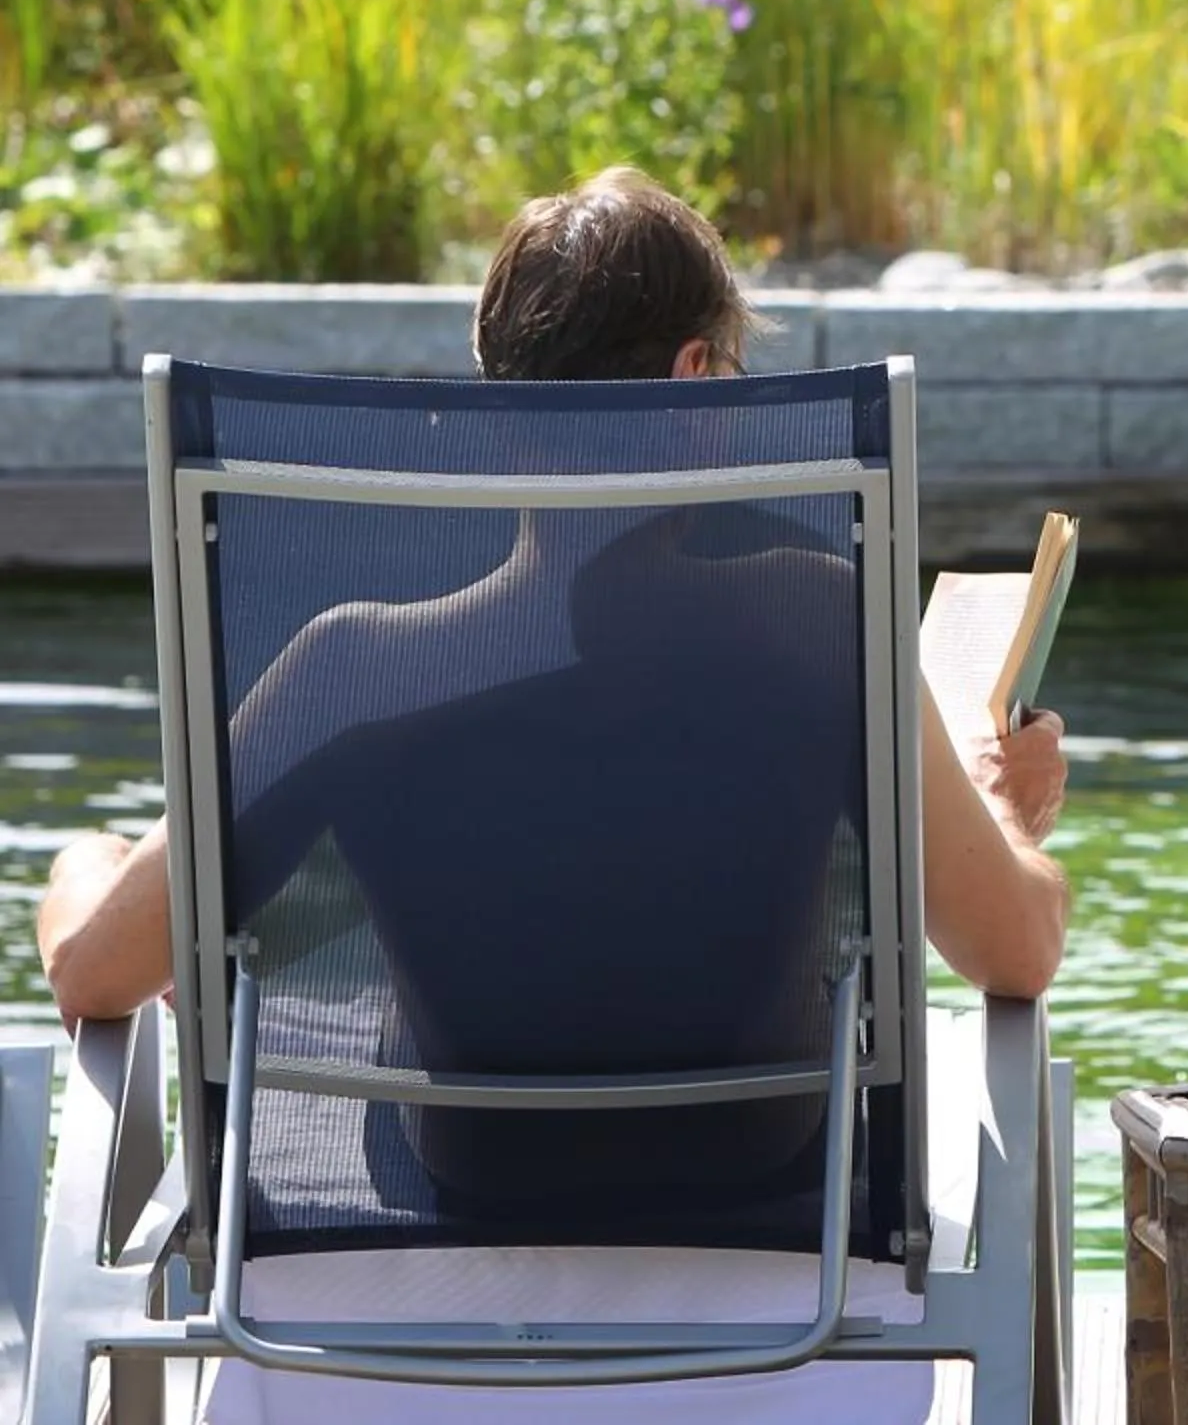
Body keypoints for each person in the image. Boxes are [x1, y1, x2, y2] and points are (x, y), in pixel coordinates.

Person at [35, 168, 1069, 1424]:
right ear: (697, 385)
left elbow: (97, 971)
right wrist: (1003, 805)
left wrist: (81, 860)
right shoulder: (820, 623)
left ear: (499, 404)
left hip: (384, 1343)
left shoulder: (353, 665)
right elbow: (1014, 949)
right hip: (784, 1345)